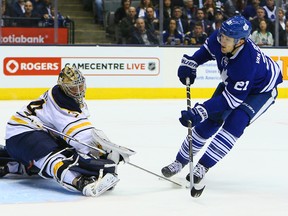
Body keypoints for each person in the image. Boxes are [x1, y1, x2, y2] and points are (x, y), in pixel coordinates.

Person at [161, 16, 283, 185]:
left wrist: (199, 111)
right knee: (210, 122)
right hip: (234, 85)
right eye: (222, 36)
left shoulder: (246, 62)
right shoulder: (220, 37)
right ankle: (180, 161)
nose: (222, 41)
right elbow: (205, 52)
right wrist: (192, 63)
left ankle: (203, 166)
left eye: (227, 39)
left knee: (236, 122)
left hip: (260, 92)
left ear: (240, 42)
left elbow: (231, 101)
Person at [2, 65, 131, 197]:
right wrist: (103, 151)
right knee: (54, 158)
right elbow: (82, 138)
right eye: (74, 88)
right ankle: (79, 182)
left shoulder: (68, 99)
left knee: (67, 153)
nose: (79, 91)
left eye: (80, 86)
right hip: (22, 132)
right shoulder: (62, 103)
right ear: (64, 87)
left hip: (30, 134)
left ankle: (11, 165)